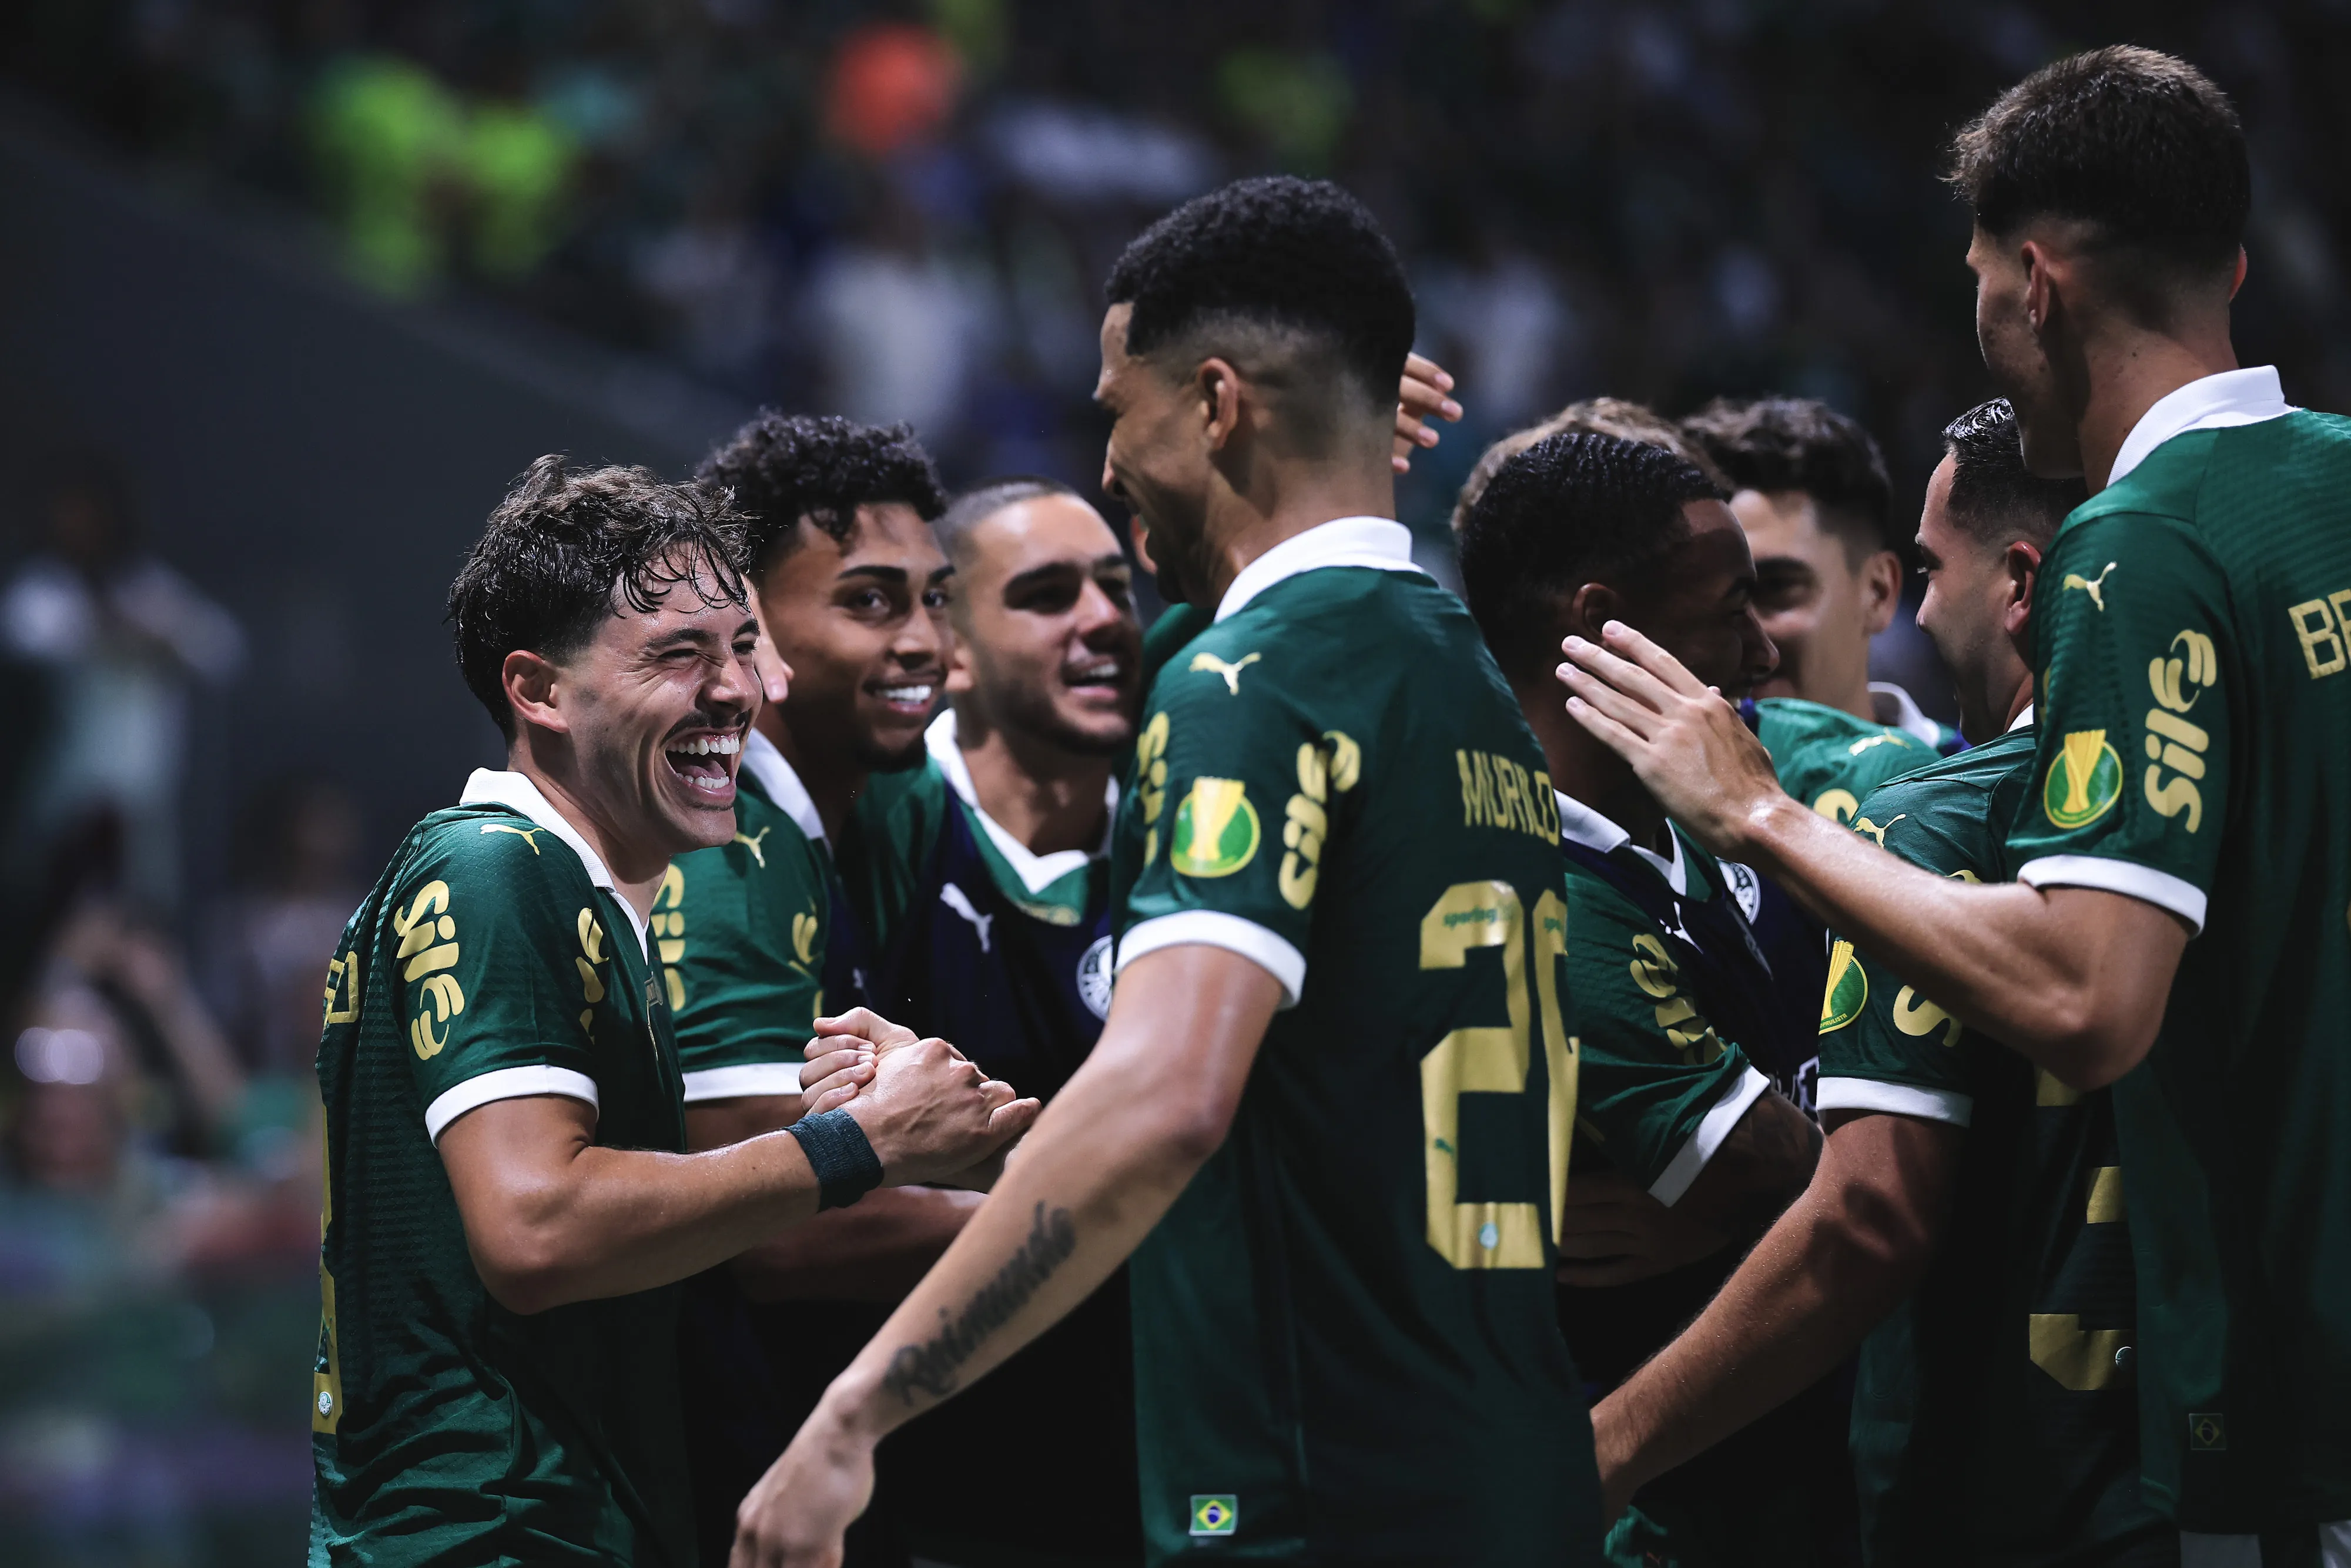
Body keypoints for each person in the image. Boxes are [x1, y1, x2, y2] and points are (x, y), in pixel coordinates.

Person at [734, 175, 1603, 1567]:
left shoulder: (1245, 684)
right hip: (1507, 1464)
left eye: (1114, 412)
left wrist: (858, 1409)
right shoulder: (1454, 677)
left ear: (1213, 403)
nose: (1109, 459)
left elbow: (1162, 1098)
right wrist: (1343, 407)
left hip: (1309, 1481)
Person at [1559, 46, 2351, 1564]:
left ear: (2036, 287)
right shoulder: (2332, 480)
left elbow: (2091, 995)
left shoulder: (2139, 549)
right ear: (2233, 265)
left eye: (1982, 276)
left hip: (2257, 1416)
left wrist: (1762, 821)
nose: (1980, 316)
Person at [309, 457, 1036, 1566]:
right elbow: (536, 1226)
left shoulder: (590, 903)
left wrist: (890, 1122)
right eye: (679, 654)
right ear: (539, 691)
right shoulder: (495, 867)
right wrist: (856, 1144)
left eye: (743, 645)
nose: (740, 689)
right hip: (484, 1537)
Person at [1580, 399, 2178, 1566]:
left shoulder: (1922, 812)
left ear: (2016, 583)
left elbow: (1867, 1212)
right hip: (2193, 1462)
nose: (1917, 603)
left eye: (1925, 569)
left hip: (1997, 1495)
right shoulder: (2186, 802)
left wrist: (1599, 1448)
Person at [1456, 431, 1836, 1567]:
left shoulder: (1695, 816)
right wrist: (1835, 1165)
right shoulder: (1541, 895)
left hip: (1790, 1484)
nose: (1765, 652)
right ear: (1601, 621)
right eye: (1732, 608)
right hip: (1660, 1519)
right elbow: (1806, 1177)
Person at [664, 413, 971, 1567]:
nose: (923, 641)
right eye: (870, 600)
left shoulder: (878, 797)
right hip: (707, 1467)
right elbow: (772, 1234)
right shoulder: (728, 834)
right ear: (749, 633)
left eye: (935, 599)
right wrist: (1080, 1215)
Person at [848, 477, 1147, 1567]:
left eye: (1117, 585)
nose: (1104, 616)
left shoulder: (1201, 835)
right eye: (1048, 592)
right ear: (954, 650)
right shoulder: (872, 833)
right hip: (928, 1506)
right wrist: (1141, 1209)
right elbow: (800, 1222)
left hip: (1165, 1488)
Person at [1682, 397, 1958, 778]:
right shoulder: (1656, 814)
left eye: (1777, 588)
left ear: (1878, 592)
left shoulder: (1981, 797)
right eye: (1718, 598)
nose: (1746, 637)